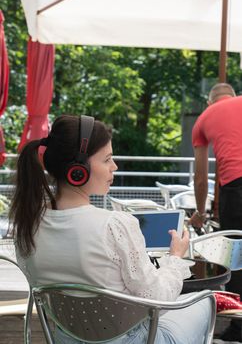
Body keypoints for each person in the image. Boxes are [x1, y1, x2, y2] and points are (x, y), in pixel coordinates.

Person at [9, 114, 212, 344]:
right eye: (107, 160)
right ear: (78, 170)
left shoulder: (27, 226)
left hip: (66, 339)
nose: (114, 167)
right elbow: (157, 300)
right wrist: (175, 258)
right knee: (206, 302)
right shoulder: (114, 225)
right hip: (134, 341)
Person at [190, 82, 242, 341]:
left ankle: (239, 327)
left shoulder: (204, 118)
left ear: (210, 102)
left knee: (238, 257)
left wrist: (200, 211)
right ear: (233, 96)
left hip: (236, 187)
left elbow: (201, 178)